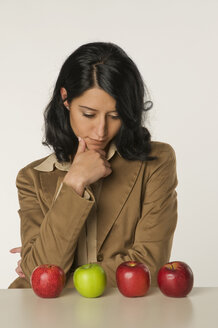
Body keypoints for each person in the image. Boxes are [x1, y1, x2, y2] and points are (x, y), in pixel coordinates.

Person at [8, 42, 178, 289]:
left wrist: (57, 274)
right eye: (89, 114)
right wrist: (74, 183)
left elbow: (147, 266)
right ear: (66, 99)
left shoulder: (156, 162)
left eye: (115, 116)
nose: (101, 131)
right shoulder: (32, 178)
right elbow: (39, 279)